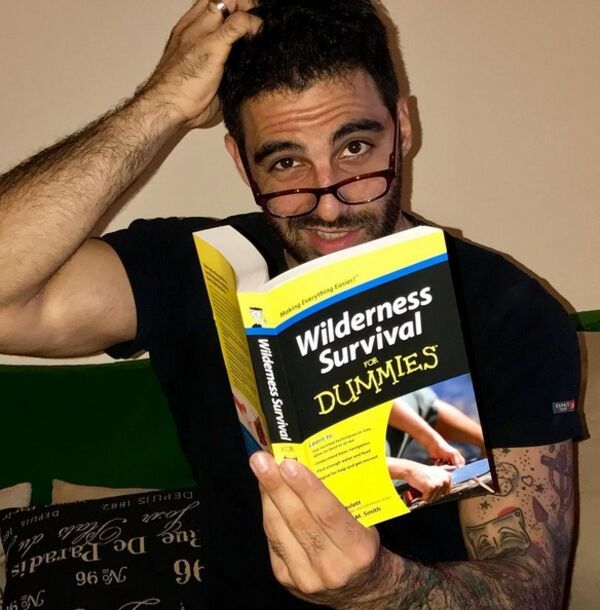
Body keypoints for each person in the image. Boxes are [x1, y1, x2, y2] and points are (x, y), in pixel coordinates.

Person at [0, 1, 583, 608]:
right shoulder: (197, 265)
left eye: (355, 148)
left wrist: (378, 586)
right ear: (240, 162)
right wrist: (161, 103)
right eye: (286, 162)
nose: (328, 204)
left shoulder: (509, 312)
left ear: (403, 129)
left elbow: (532, 588)